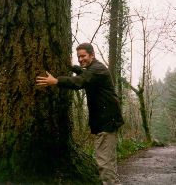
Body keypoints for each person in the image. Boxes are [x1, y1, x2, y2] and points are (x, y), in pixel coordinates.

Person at [36, 43, 124, 185]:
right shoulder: (93, 68)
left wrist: (56, 81)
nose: (81, 59)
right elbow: (84, 74)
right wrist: (72, 67)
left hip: (107, 123)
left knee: (105, 164)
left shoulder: (97, 69)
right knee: (109, 163)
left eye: (83, 56)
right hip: (107, 121)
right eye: (78, 57)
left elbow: (81, 81)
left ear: (92, 55)